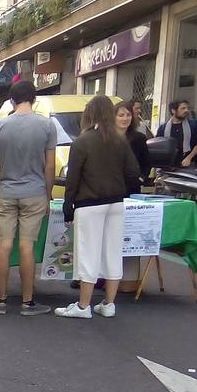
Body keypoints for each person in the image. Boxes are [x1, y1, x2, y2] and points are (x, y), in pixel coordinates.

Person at [55, 96, 140, 320]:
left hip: (89, 203)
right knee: (113, 252)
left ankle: (83, 306)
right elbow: (133, 173)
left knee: (88, 253)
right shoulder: (120, 140)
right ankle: (108, 304)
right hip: (117, 202)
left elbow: (73, 178)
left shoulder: (82, 142)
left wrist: (68, 205)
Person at [0, 80, 56, 316]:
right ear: (34, 99)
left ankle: (1, 301)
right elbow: (50, 166)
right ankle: (27, 302)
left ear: (12, 101)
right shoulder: (47, 126)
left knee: (4, 245)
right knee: (27, 245)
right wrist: (47, 195)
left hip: (6, 192)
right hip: (35, 191)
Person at [156, 99, 197, 168]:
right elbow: (159, 146)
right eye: (183, 108)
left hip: (190, 163)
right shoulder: (163, 128)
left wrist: (189, 158)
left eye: (187, 108)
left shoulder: (193, 124)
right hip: (169, 165)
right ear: (173, 111)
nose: (186, 110)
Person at [117, 101, 150, 187]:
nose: (125, 119)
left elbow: (146, 163)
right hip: (111, 188)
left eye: (128, 115)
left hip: (132, 187)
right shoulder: (106, 138)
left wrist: (141, 178)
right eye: (121, 115)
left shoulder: (139, 138)